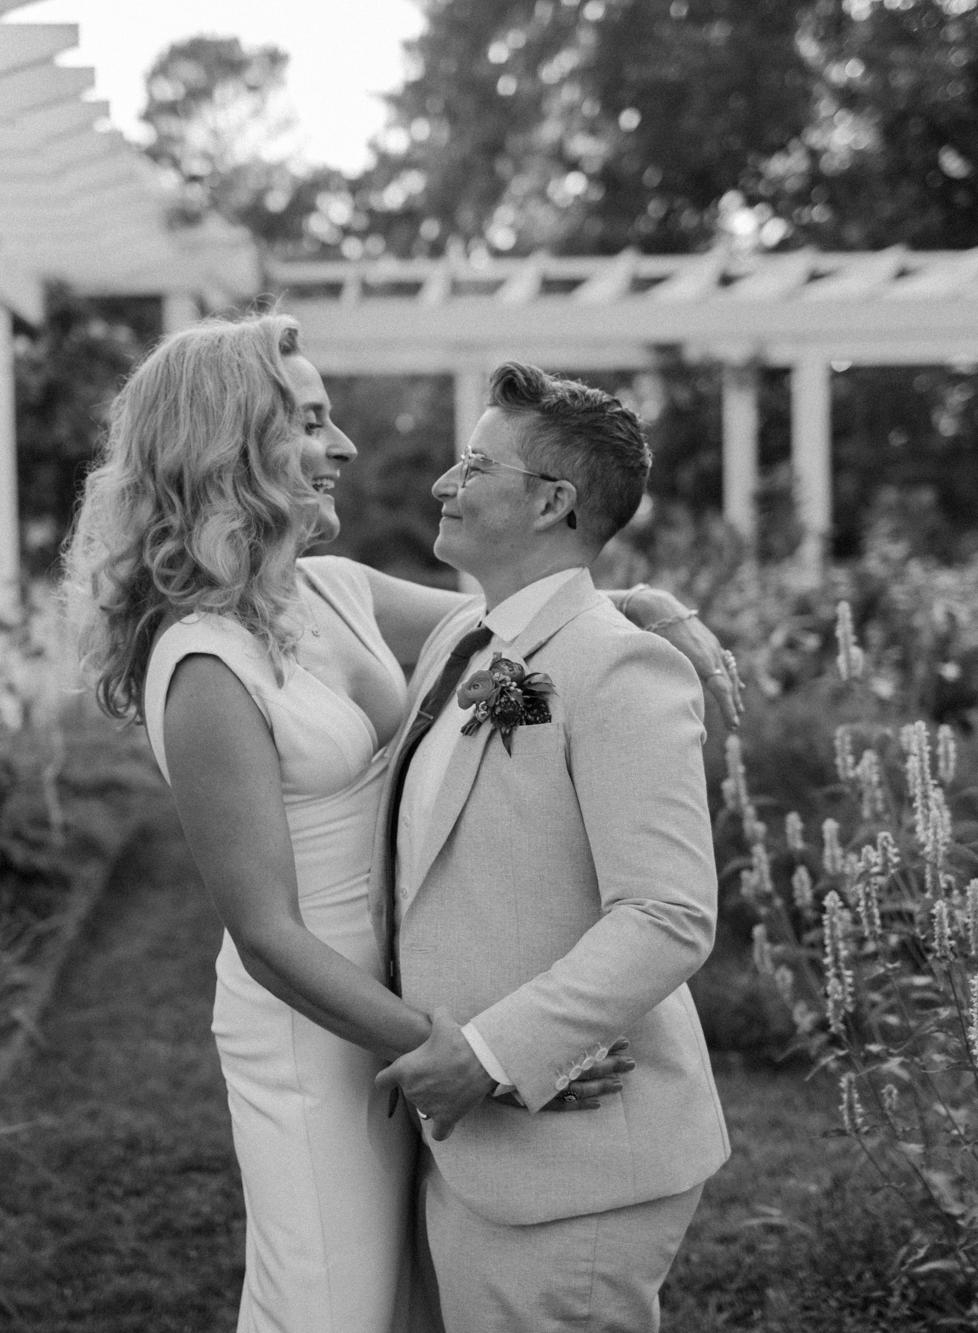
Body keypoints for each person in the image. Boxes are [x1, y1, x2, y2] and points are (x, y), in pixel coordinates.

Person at [61, 314, 738, 1333]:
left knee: (405, 1303)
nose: (343, 446)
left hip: (409, 1005)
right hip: (320, 1023)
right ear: (227, 446)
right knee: (332, 1303)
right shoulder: (204, 666)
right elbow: (265, 933)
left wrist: (650, 605)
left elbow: (518, 622)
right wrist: (464, 1052)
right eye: (310, 422)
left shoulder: (331, 593)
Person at [373, 362, 730, 1332]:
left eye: (473, 465)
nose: (445, 482)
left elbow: (667, 914)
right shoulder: (465, 637)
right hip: (478, 1154)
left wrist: (492, 1053)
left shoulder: (620, 666)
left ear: (551, 502)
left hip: (578, 1176)